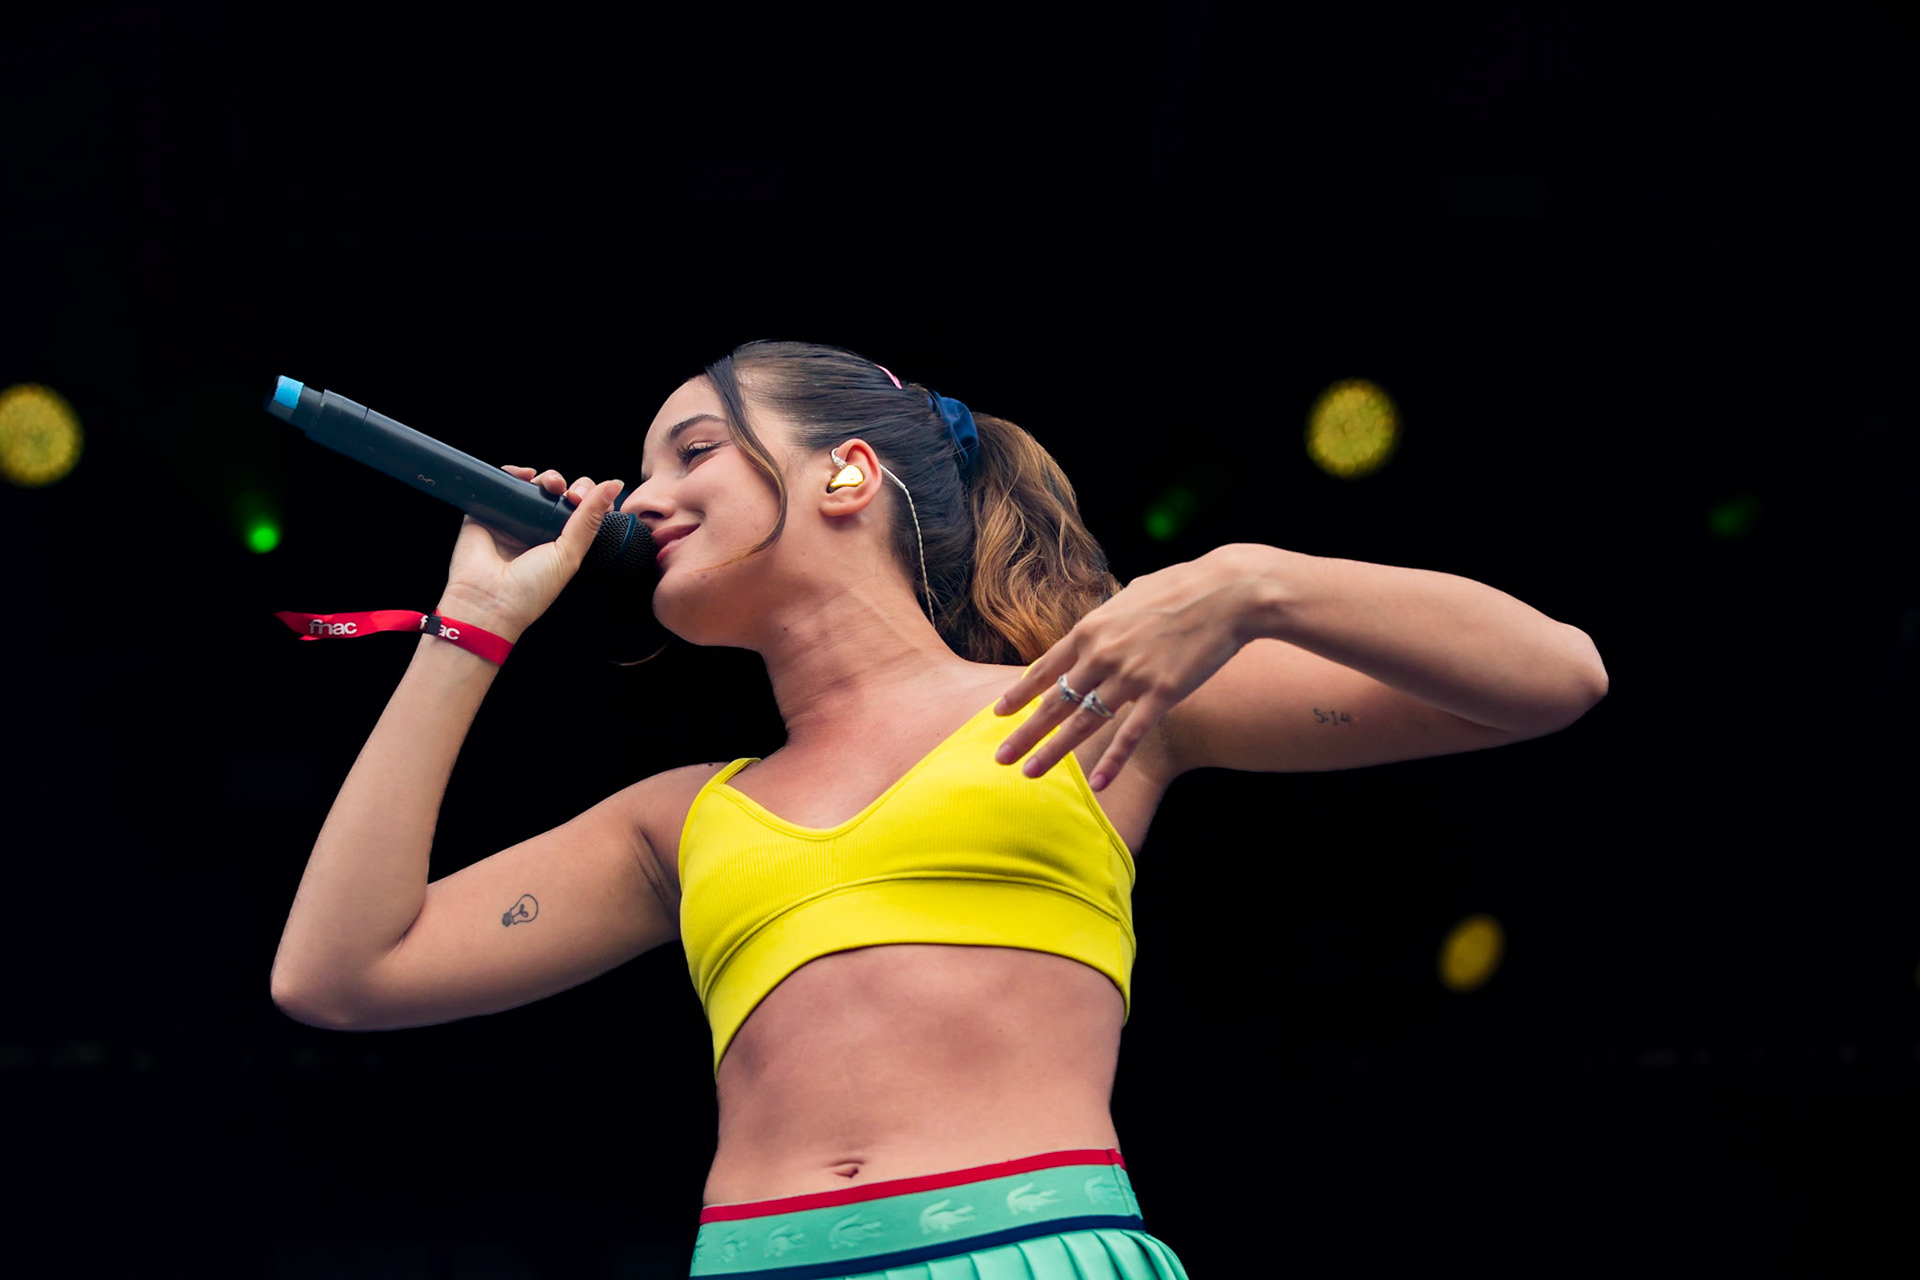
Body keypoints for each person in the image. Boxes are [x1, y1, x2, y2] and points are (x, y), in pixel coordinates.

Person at [270, 339, 1609, 1278]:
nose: (645, 496)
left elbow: (1554, 678)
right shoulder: (680, 820)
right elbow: (337, 973)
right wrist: (473, 622)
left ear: (847, 474)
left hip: (1025, 1250)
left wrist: (1258, 580)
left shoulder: (1089, 702)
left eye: (693, 451)